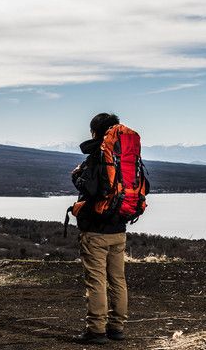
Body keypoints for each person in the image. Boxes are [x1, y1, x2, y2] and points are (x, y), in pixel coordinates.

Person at [70, 113, 127, 345]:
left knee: (96, 280)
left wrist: (76, 177)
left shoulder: (98, 156)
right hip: (119, 227)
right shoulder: (124, 155)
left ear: (96, 131)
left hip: (96, 229)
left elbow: (92, 190)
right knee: (118, 279)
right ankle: (117, 327)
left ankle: (96, 330)